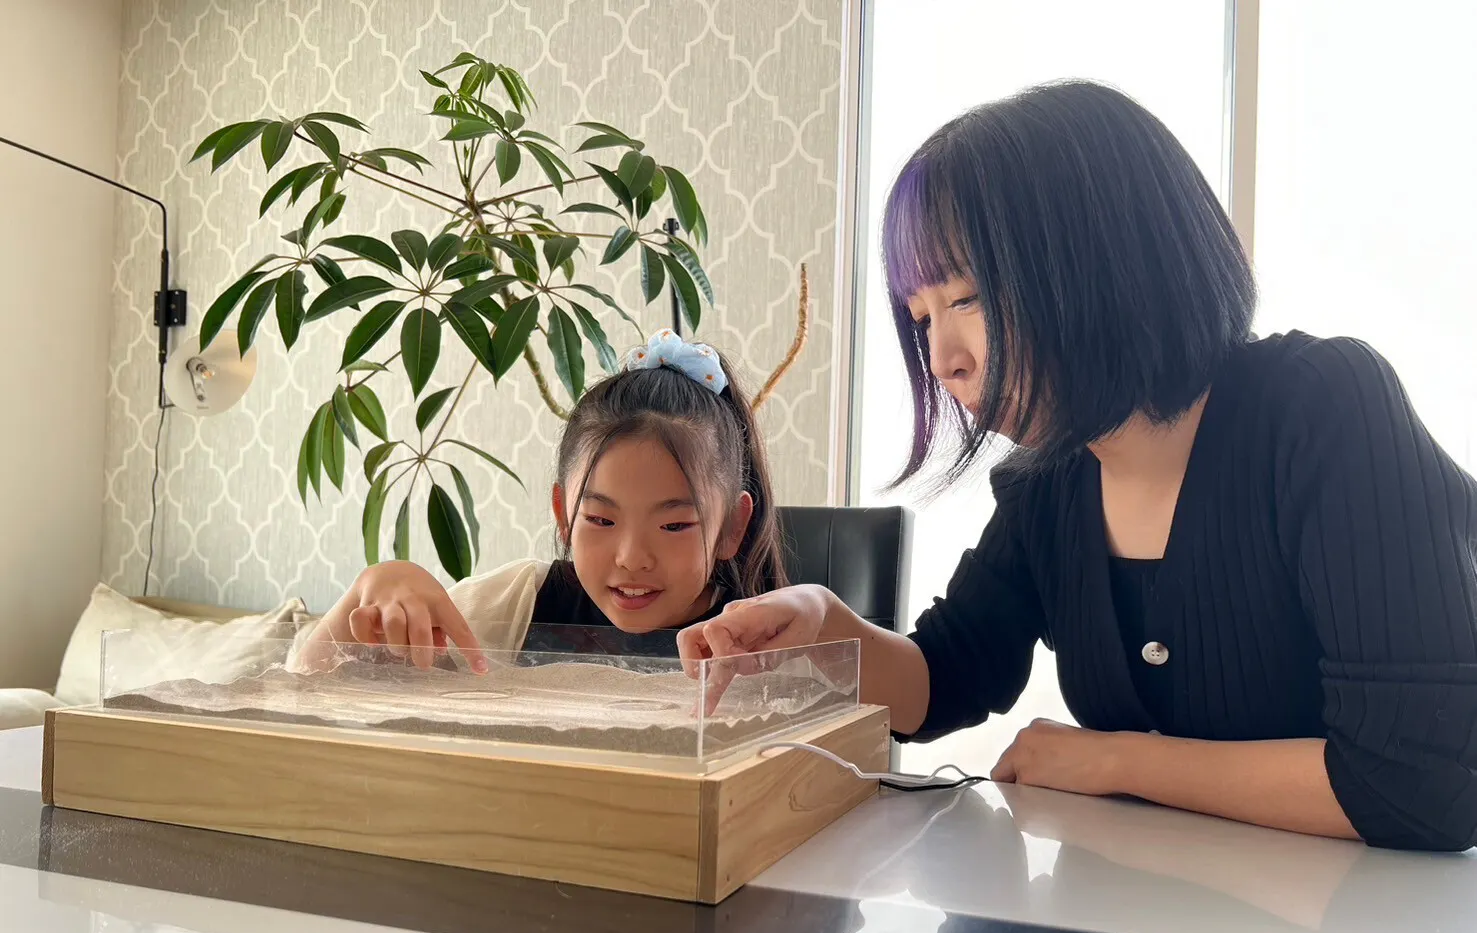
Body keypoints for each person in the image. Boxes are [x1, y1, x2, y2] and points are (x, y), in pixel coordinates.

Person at [678, 80, 1477, 852]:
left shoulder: (1322, 410)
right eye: (920, 316)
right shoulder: (1048, 481)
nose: (943, 359)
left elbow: (1419, 782)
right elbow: (946, 677)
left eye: (966, 299)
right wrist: (824, 625)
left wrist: (1117, 761)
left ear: (1104, 259)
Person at [307, 330, 786, 669]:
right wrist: (373, 585)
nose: (632, 558)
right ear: (563, 514)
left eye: (674, 525)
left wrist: (820, 611)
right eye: (600, 519)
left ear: (732, 527)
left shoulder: (760, 638)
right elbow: (303, 681)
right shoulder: (518, 603)